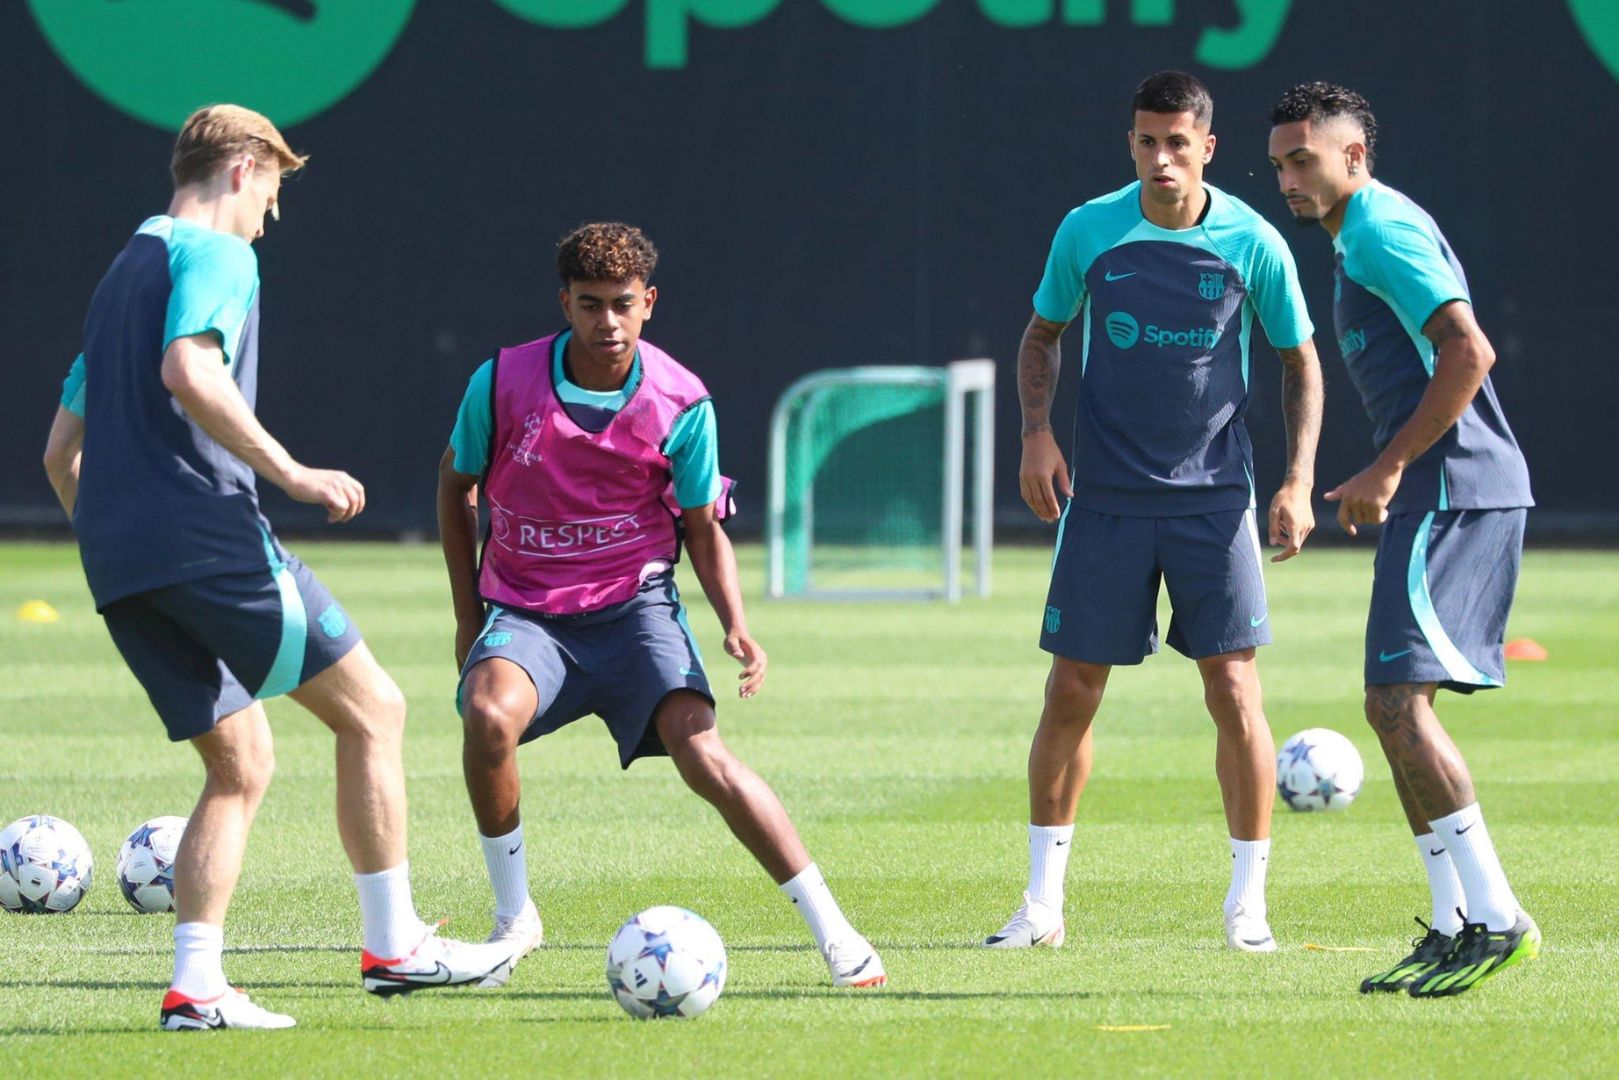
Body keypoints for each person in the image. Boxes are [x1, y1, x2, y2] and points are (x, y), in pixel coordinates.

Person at [40, 105, 519, 1031]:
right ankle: (396, 949)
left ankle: (196, 990)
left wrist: (118, 539)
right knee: (375, 709)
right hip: (208, 540)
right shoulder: (217, 255)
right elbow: (190, 367)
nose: (270, 213)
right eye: (272, 188)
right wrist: (292, 472)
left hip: (123, 565)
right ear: (241, 168)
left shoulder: (119, 272)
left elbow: (62, 453)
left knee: (241, 763)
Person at [436, 221, 885, 989]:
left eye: (620, 304)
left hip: (634, 606)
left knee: (702, 752)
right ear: (564, 304)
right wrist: (468, 618)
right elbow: (456, 488)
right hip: (528, 608)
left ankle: (834, 931)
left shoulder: (682, 400)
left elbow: (701, 525)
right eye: (588, 305)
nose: (605, 323)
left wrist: (737, 625)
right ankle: (515, 920)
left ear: (648, 302)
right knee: (485, 717)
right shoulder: (502, 381)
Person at [987, 71, 1324, 953]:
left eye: (1179, 142)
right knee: (1070, 691)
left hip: (1214, 502)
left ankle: (1247, 907)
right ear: (1131, 144)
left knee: (1234, 690)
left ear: (1207, 149)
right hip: (1104, 501)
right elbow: (1041, 332)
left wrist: (1295, 481)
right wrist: (1034, 434)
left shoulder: (1252, 241)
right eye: (1147, 141)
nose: (1161, 158)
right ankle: (1041, 907)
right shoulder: (1088, 229)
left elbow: (1298, 360)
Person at [1268, 82, 1539, 997]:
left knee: (1395, 707)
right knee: (1390, 711)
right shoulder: (1359, 236)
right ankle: (1458, 923)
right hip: (1433, 487)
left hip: (1454, 489)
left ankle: (1498, 918)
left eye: (1303, 160)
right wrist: (1382, 469)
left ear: (1353, 157)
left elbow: (1468, 351)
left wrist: (1386, 469)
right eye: (1277, 165)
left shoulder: (1379, 230)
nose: (1288, 179)